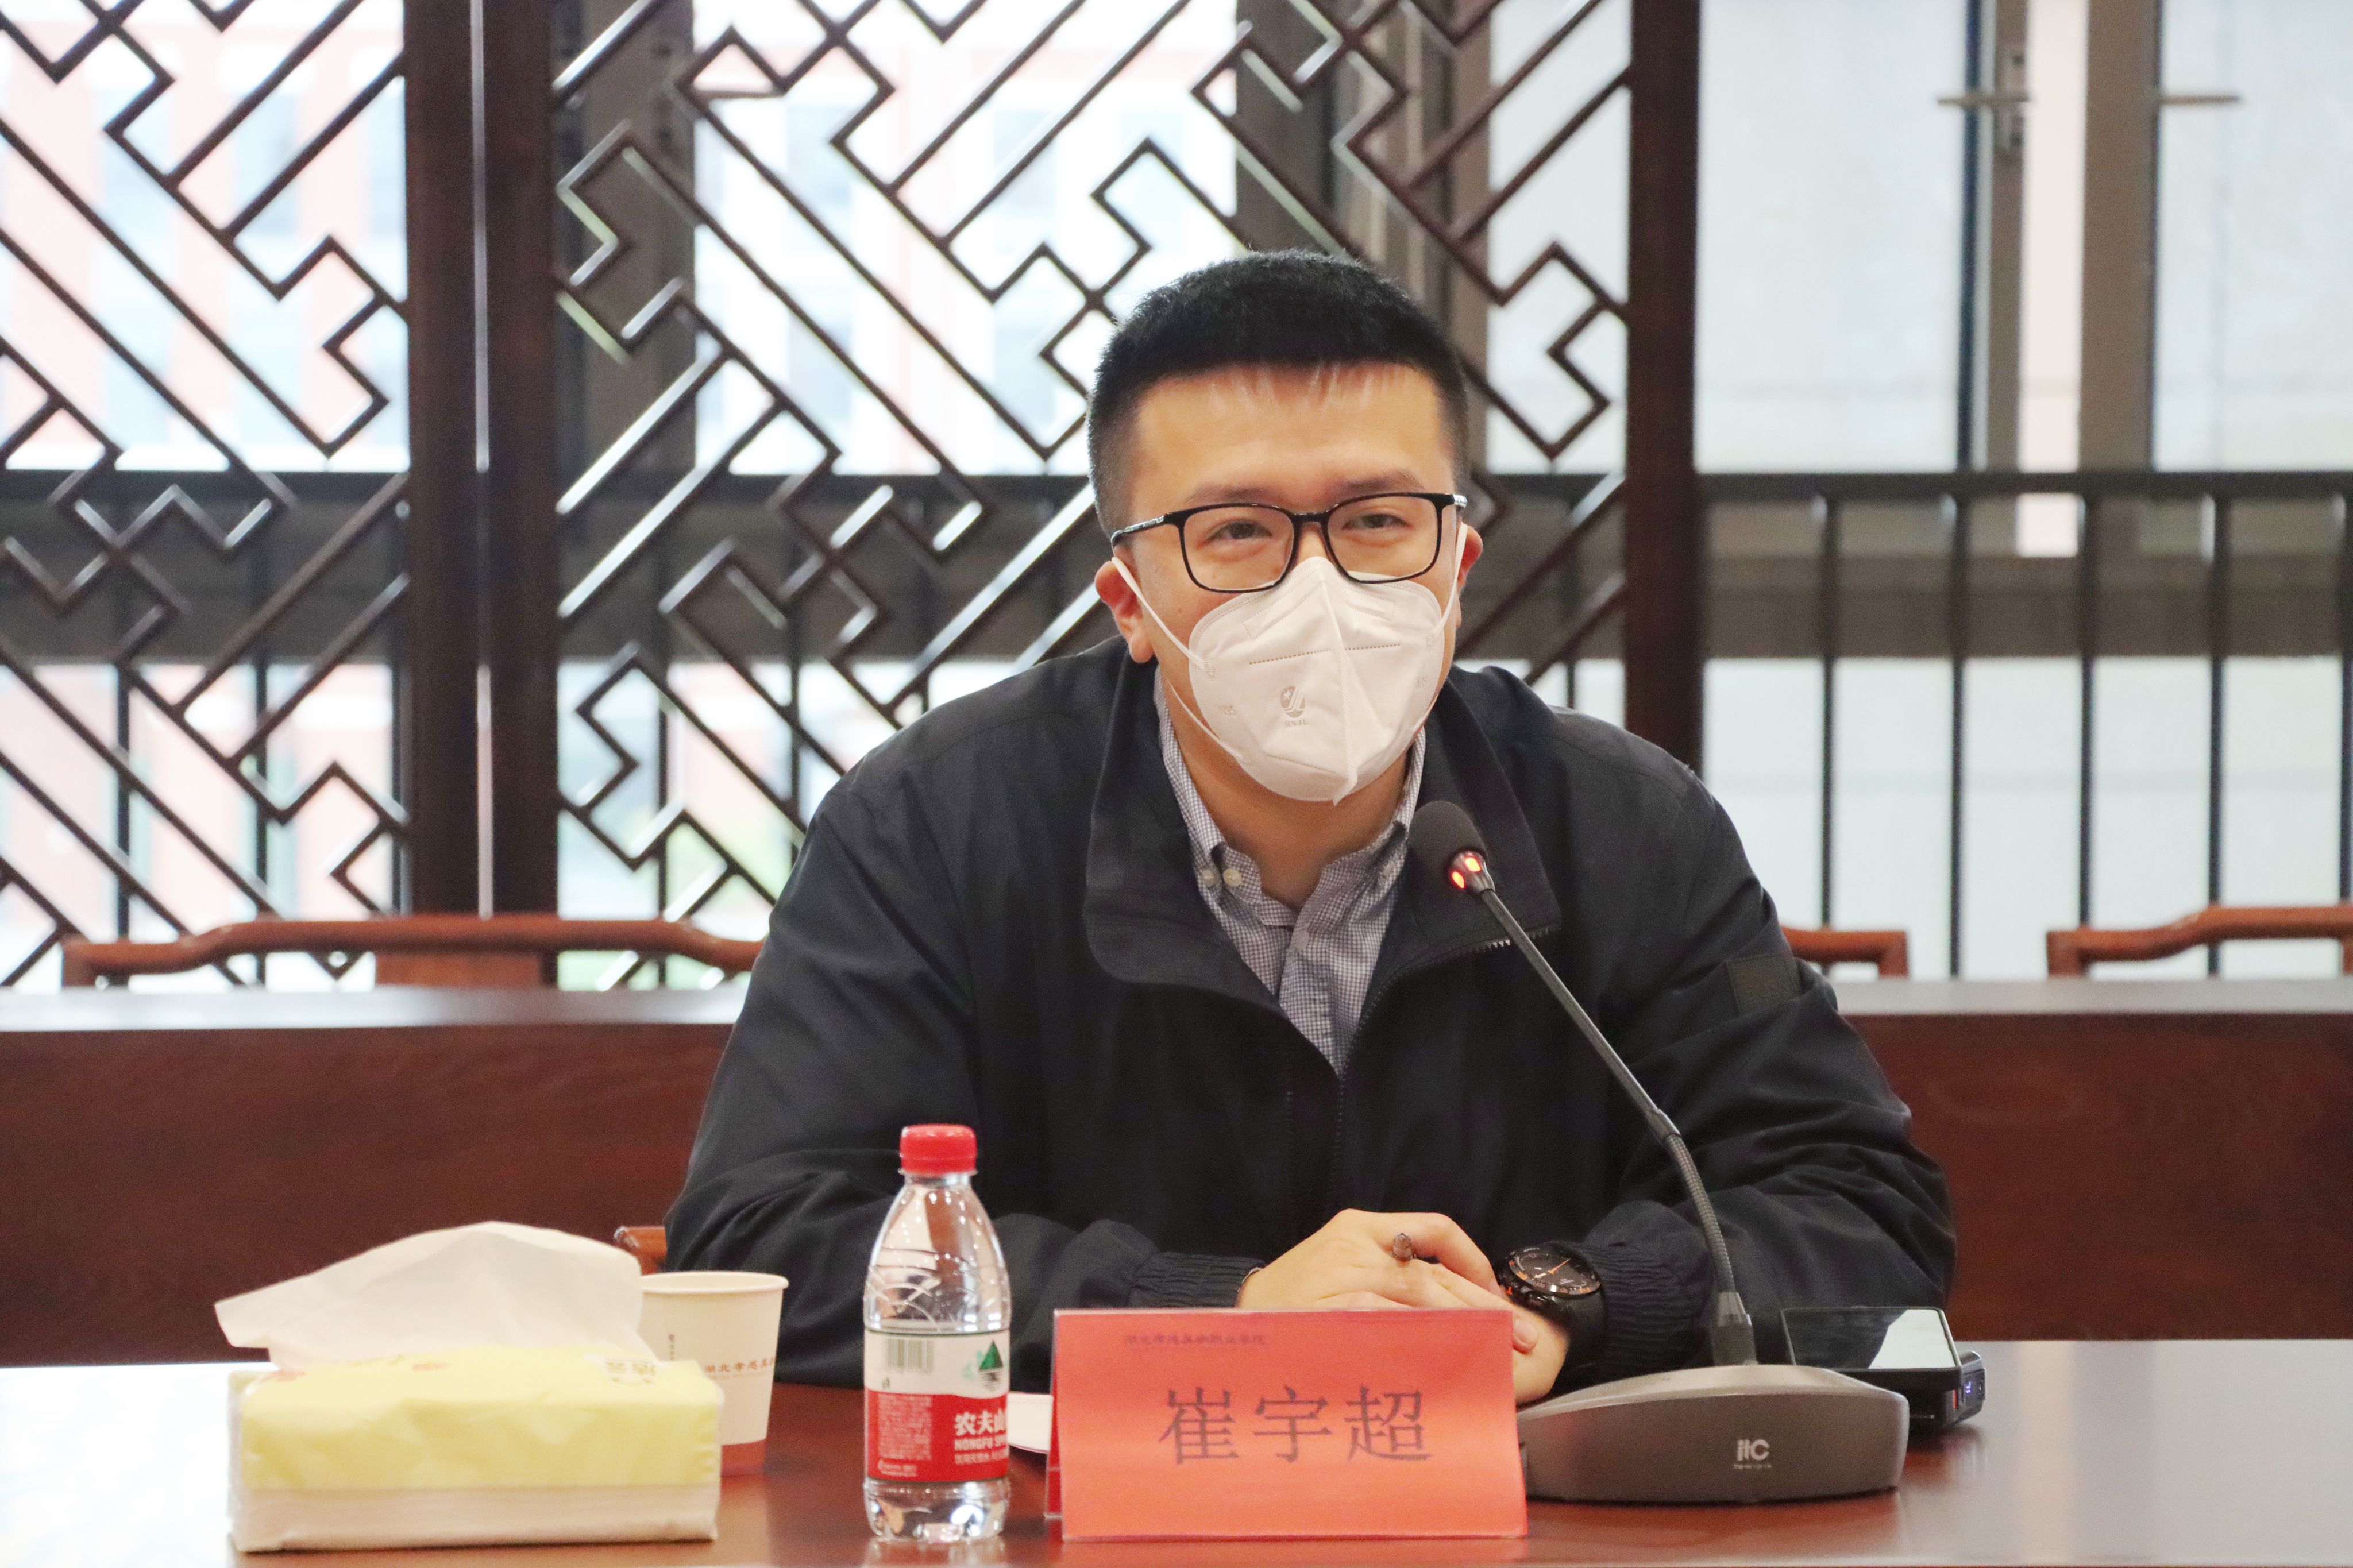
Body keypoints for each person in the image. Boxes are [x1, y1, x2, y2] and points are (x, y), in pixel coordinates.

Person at [668, 251, 1953, 1404]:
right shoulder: (933, 824)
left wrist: (1561, 1303)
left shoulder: (1624, 823)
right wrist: (1217, 1311)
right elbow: (767, 1233)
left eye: (1377, 521)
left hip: (1522, 1523)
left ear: (1456, 569)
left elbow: (1856, 1204)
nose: (1318, 583)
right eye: (1235, 531)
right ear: (1128, 599)